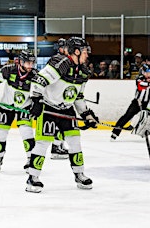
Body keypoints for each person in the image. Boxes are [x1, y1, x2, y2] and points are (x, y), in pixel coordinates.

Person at [26, 37, 97, 193]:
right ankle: (33, 177)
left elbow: (78, 96)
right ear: (76, 52)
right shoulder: (61, 63)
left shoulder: (84, 72)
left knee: (75, 141)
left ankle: (79, 174)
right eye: (85, 52)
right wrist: (36, 101)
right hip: (49, 109)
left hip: (67, 109)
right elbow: (38, 81)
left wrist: (86, 114)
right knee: (43, 143)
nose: (87, 55)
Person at [0, 50, 37, 172]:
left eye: (32, 63)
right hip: (6, 106)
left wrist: (37, 104)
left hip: (24, 107)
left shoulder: (35, 75)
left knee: (26, 131)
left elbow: (39, 93)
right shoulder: (7, 70)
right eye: (28, 63)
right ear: (21, 62)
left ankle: (30, 159)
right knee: (0, 132)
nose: (30, 66)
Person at [110, 63, 150, 141]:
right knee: (127, 116)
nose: (149, 74)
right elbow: (140, 86)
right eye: (147, 72)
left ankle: (147, 132)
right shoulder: (139, 78)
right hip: (137, 102)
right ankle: (115, 133)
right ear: (143, 72)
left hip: (148, 103)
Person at [50, 38, 70, 160]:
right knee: (60, 123)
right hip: (56, 97)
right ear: (61, 48)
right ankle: (56, 148)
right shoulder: (58, 60)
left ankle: (59, 146)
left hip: (60, 96)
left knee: (62, 123)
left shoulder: (63, 59)